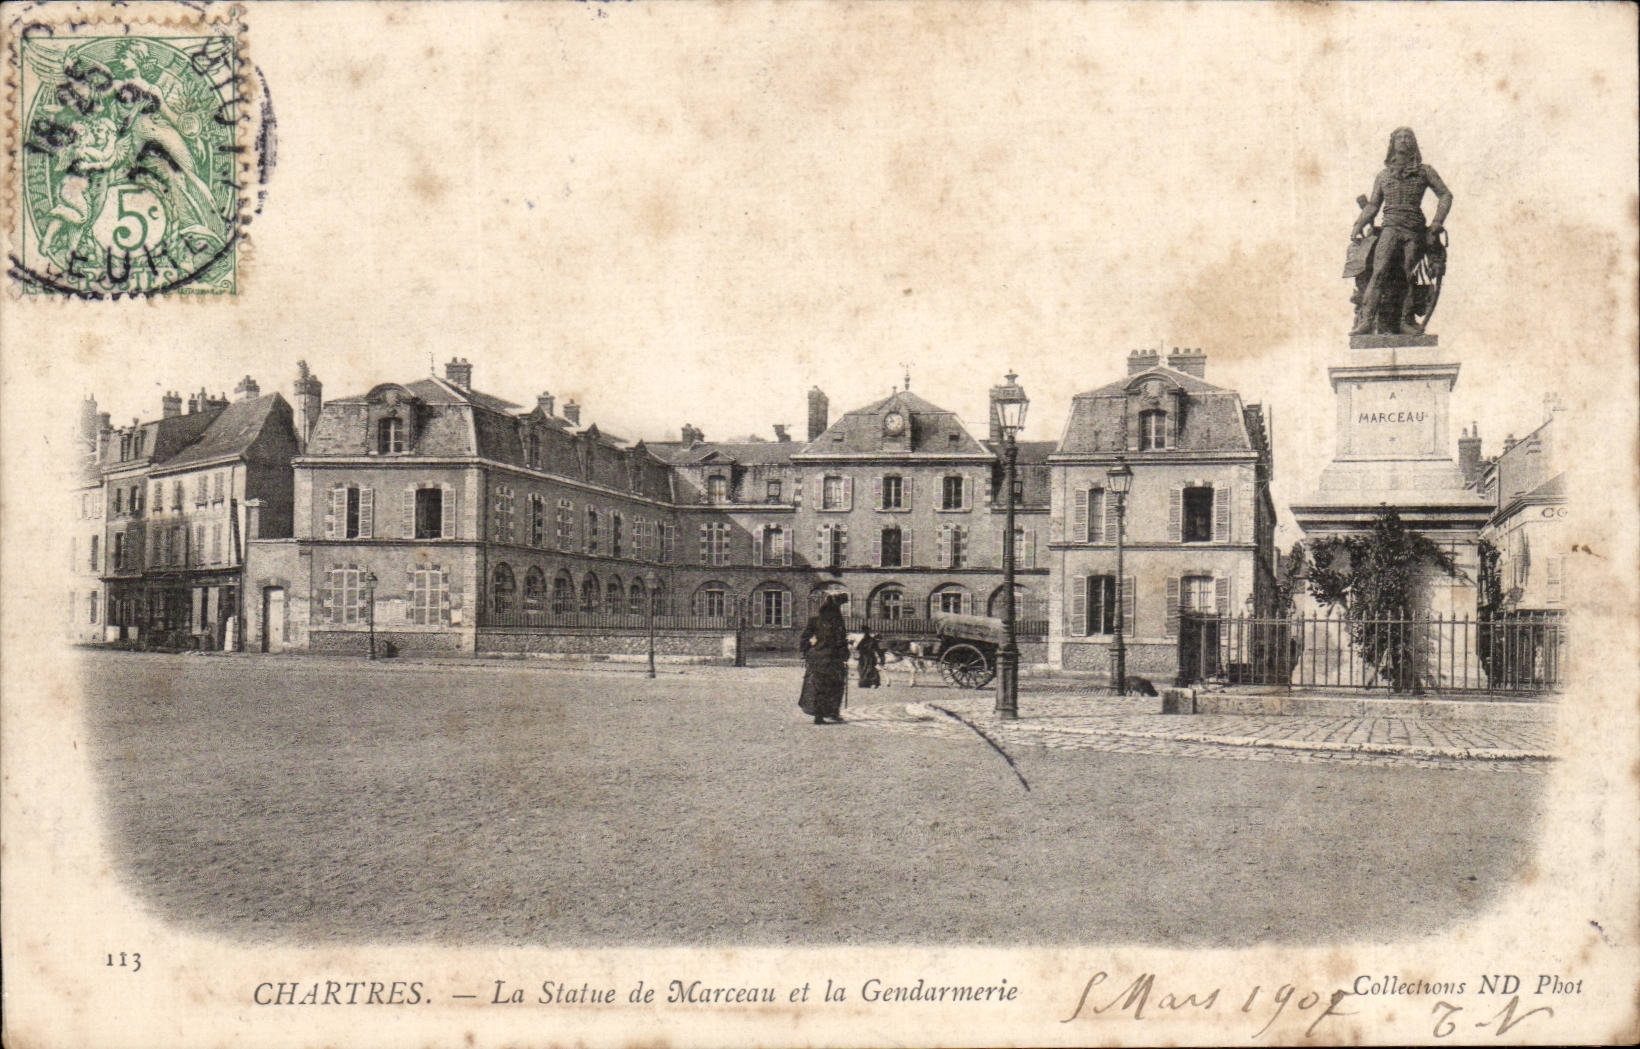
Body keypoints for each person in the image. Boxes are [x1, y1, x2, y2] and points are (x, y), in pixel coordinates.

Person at [1348, 127, 1452, 336]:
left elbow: (1445, 195)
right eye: (1400, 138)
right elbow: (1373, 205)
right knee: (1379, 272)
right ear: (1392, 144)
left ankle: (1405, 320)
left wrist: (1437, 222)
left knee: (1406, 274)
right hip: (1390, 228)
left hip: (1413, 229)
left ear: (1413, 143)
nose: (1404, 141)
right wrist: (1359, 223)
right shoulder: (1383, 176)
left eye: (1408, 137)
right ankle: (1367, 320)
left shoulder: (1425, 171)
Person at [798, 594, 849, 724]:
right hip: (833, 658)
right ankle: (832, 713)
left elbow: (804, 638)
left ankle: (819, 716)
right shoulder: (838, 623)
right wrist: (844, 656)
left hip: (817, 657)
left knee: (817, 686)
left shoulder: (815, 620)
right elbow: (841, 641)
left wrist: (807, 651)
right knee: (835, 686)